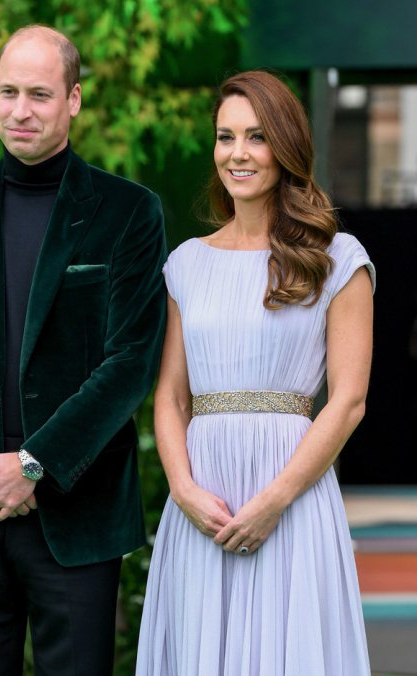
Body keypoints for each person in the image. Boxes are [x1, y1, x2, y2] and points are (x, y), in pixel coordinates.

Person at [0, 24, 167, 676]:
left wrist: (35, 464)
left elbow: (130, 361)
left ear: (73, 100)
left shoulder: (128, 212)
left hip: (78, 519)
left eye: (39, 94)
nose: (19, 110)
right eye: (7, 91)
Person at [136, 70, 374, 676]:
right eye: (225, 136)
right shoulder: (185, 263)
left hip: (291, 501)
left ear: (287, 147)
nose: (237, 154)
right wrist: (183, 490)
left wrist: (275, 500)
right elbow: (169, 397)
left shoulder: (337, 259)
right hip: (201, 506)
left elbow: (347, 401)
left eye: (257, 137)